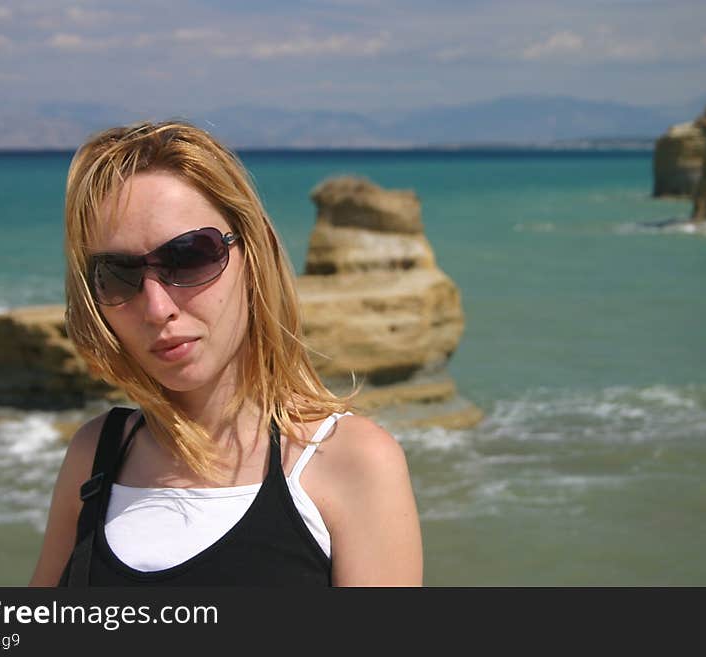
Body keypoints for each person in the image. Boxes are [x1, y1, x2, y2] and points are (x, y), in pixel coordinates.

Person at [29, 121, 423, 586]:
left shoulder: (351, 463)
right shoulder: (95, 454)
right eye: (117, 274)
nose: (157, 308)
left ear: (251, 253)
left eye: (189, 256)